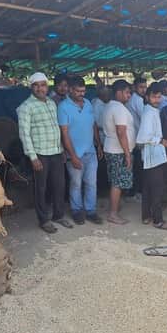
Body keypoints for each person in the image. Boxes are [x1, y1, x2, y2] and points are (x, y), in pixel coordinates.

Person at [17, 72, 73, 234]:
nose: (39, 88)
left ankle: (58, 215)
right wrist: (32, 157)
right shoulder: (26, 107)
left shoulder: (51, 103)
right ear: (31, 87)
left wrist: (62, 149)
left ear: (47, 87)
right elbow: (24, 134)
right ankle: (43, 220)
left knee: (59, 185)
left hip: (56, 151)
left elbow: (56, 128)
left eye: (42, 85)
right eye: (36, 85)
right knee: (41, 188)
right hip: (40, 153)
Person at [58, 76, 103, 225]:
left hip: (90, 152)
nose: (81, 94)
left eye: (83, 91)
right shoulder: (63, 107)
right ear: (70, 90)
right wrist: (73, 156)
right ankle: (76, 210)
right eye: (78, 91)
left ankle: (91, 211)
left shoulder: (88, 103)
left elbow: (93, 124)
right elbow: (64, 133)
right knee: (76, 184)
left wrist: (98, 144)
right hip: (74, 154)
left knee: (92, 183)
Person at [137, 87, 167, 231]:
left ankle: (146, 216)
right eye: (154, 97)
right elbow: (142, 137)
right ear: (147, 97)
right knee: (157, 189)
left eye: (159, 97)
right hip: (153, 156)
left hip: (152, 156)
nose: (157, 100)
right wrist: (160, 141)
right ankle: (158, 220)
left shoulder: (152, 110)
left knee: (148, 188)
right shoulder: (149, 113)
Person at [103, 79, 136, 224]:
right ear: (118, 92)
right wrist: (127, 154)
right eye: (127, 92)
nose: (129, 95)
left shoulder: (110, 106)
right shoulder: (119, 108)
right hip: (118, 151)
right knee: (117, 182)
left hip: (112, 148)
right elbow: (121, 132)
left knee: (115, 181)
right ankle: (113, 214)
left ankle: (115, 207)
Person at [126, 77, 147, 199]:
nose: (143, 90)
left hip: (132, 136)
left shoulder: (131, 99)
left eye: (145, 87)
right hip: (138, 137)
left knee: (134, 166)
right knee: (139, 166)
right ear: (134, 87)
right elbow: (144, 119)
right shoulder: (138, 100)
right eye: (141, 87)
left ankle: (132, 190)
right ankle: (137, 190)